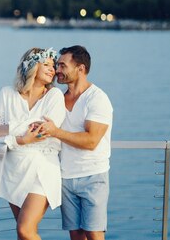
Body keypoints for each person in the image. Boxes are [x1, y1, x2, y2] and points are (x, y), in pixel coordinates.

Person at [37, 45, 113, 240]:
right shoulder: (58, 99)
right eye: (57, 65)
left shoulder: (97, 99)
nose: (57, 70)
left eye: (62, 66)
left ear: (80, 68)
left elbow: (91, 141)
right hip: (65, 177)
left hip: (92, 177)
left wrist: (56, 131)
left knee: (94, 234)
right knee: (76, 235)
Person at [0, 47, 65, 240]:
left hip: (42, 169)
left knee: (25, 230)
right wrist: (23, 139)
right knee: (24, 233)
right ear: (31, 66)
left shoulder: (54, 96)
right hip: (13, 170)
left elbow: (43, 130)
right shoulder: (6, 93)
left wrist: (9, 128)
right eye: (46, 64)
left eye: (54, 65)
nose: (53, 69)